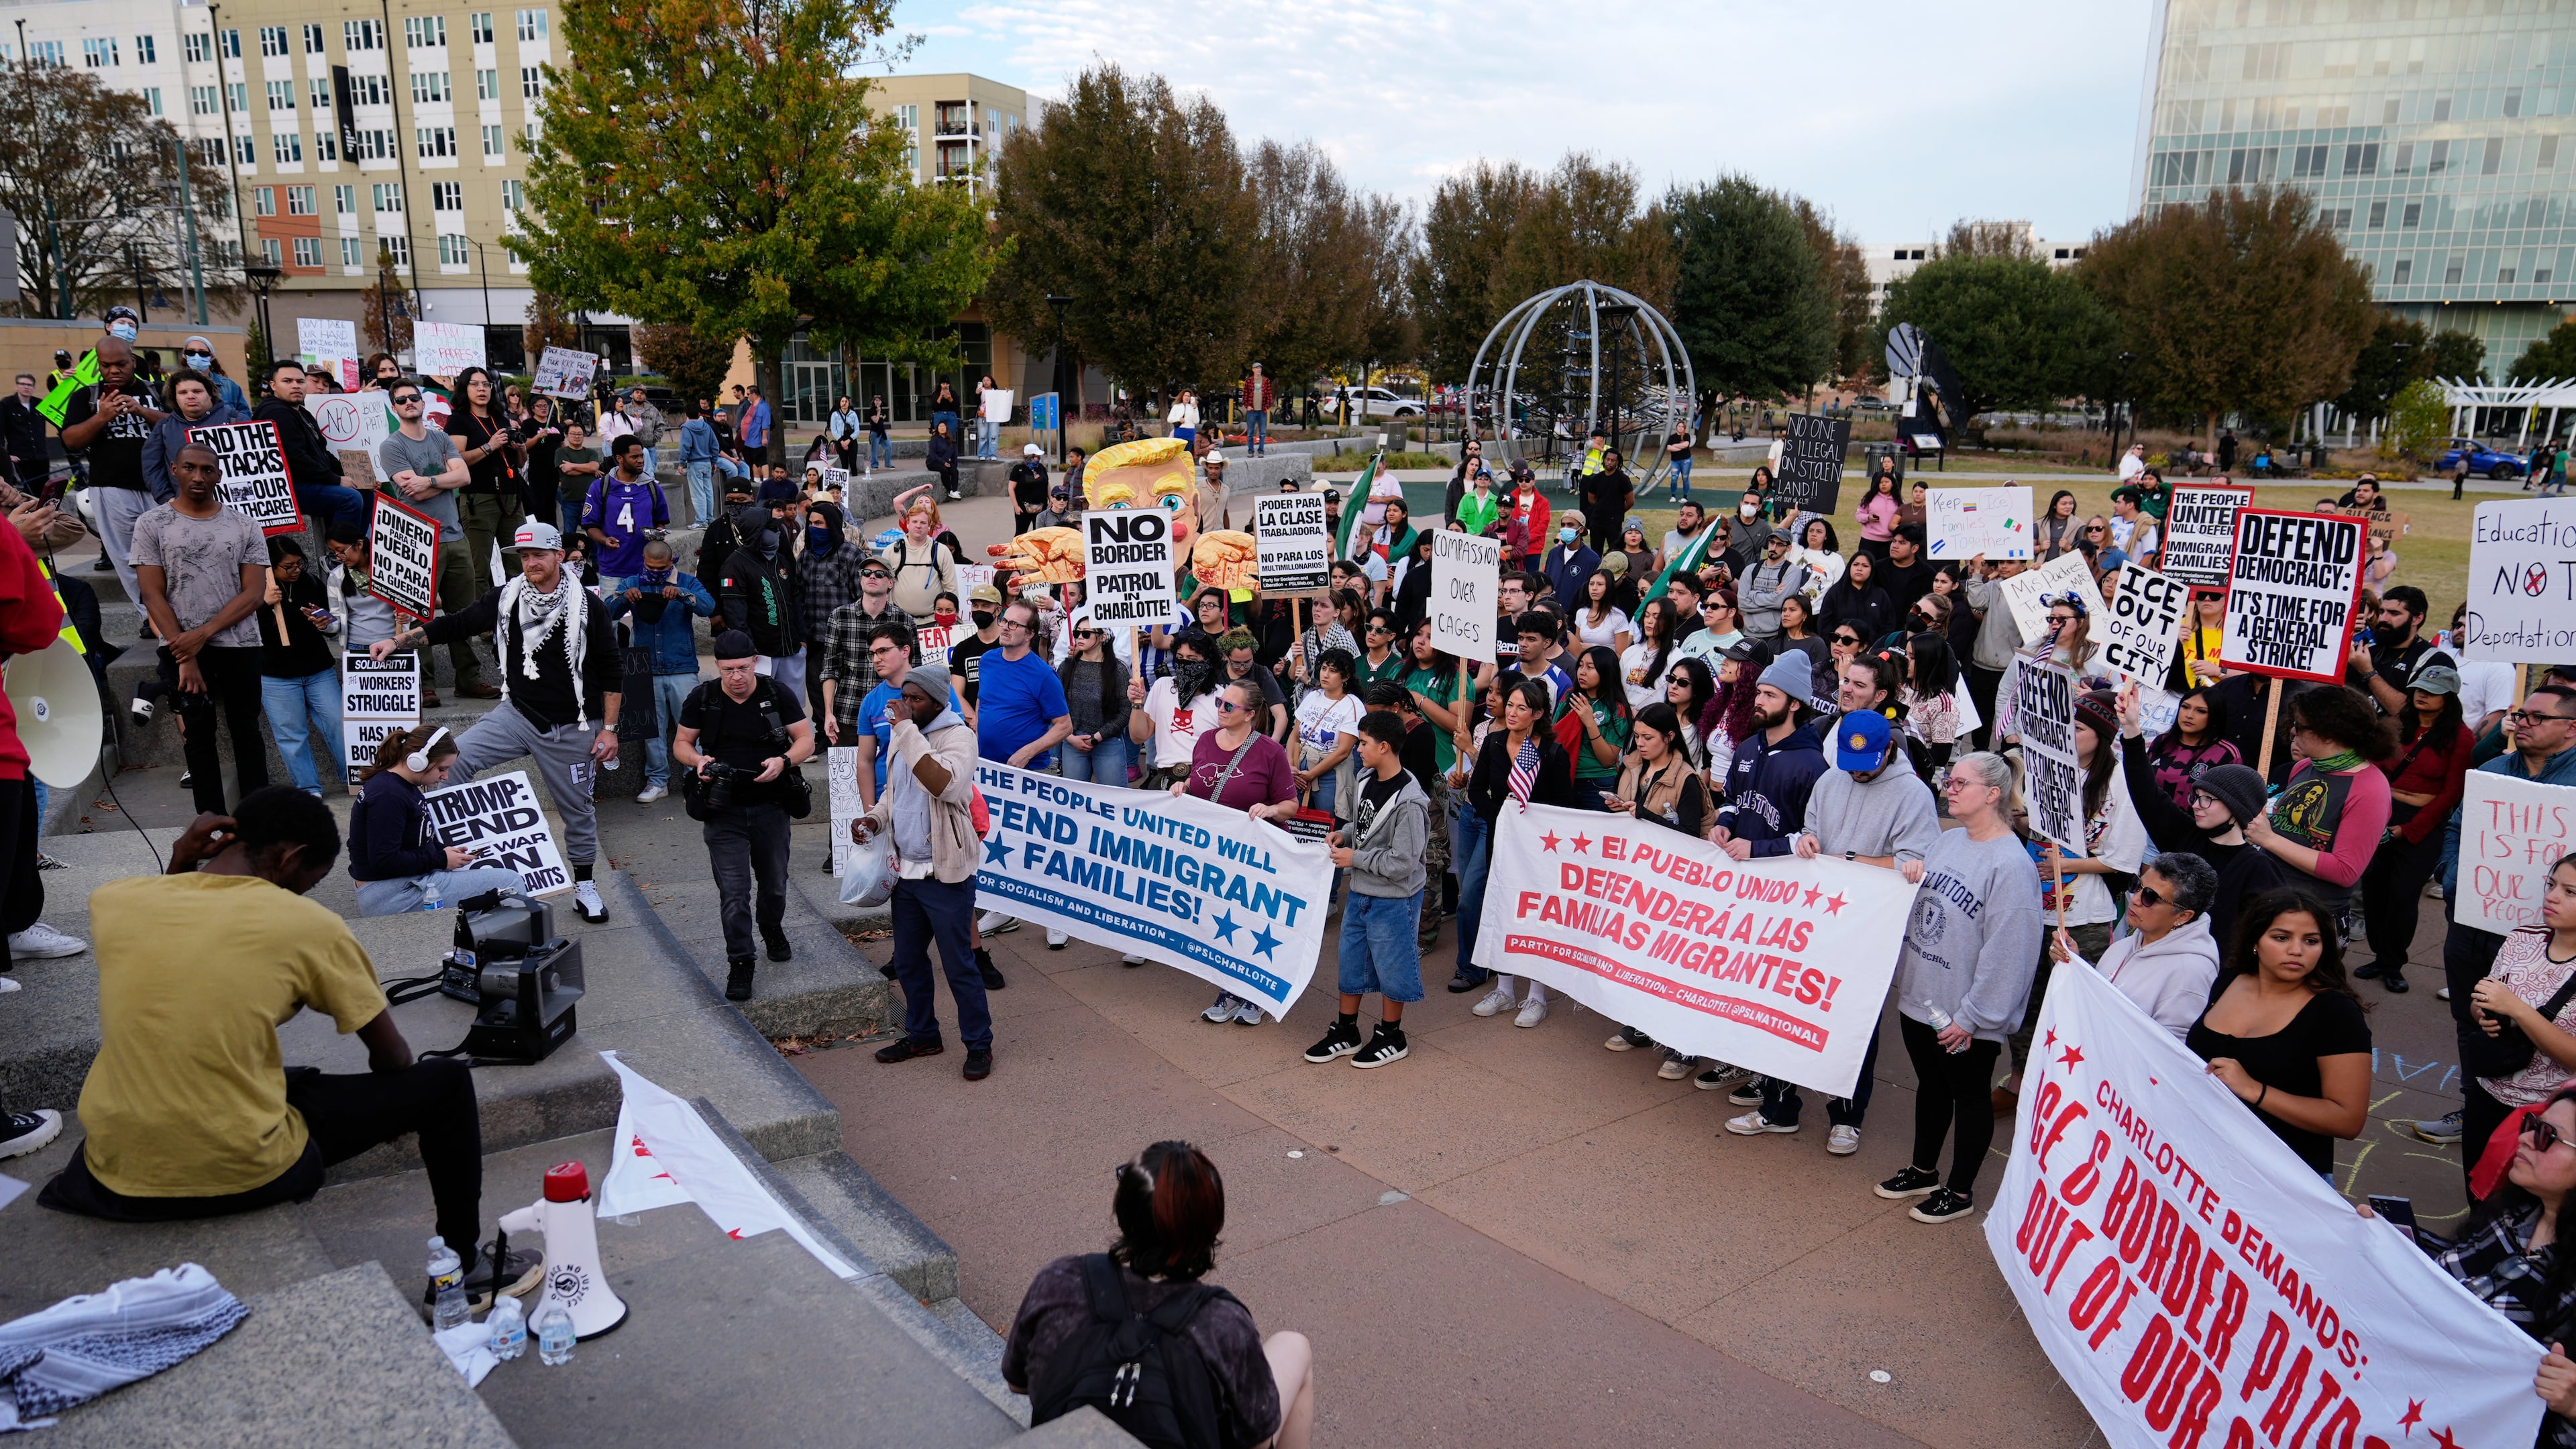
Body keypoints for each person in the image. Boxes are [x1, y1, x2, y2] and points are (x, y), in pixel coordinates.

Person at [38, 792, 543, 1313]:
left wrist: (181, 864)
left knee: (282, 1073)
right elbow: (391, 1058)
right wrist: (396, 1106)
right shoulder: (307, 926)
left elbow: (175, 927)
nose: (306, 895)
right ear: (289, 858)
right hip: (247, 1170)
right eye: (313, 882)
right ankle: (466, 1269)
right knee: (445, 1084)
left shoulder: (117, 901)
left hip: (112, 1172)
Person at [369, 521, 620, 923]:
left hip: (574, 724)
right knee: (452, 762)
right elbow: (456, 623)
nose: (531, 563)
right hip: (517, 713)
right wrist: (398, 641)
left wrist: (609, 728)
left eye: (539, 555)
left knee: (578, 810)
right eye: (524, 557)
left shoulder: (588, 605)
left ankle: (586, 885)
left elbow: (611, 667)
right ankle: (456, 857)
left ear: (559, 556)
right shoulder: (506, 597)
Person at [1004, 1142, 1313, 1448]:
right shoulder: (1224, 1324)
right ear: (1210, 1227)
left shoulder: (1059, 1281)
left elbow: (1017, 1383)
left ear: (1124, 1210)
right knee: (1295, 1345)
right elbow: (1257, 1442)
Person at [1731, 710, 1939, 1148]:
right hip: (1814, 919)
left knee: (1854, 1020)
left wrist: (1849, 861)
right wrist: (1807, 842)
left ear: (1889, 751)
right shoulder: (1831, 780)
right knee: (1785, 1009)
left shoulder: (1914, 795)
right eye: (1848, 761)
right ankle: (1777, 1107)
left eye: (1865, 763)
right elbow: (1811, 833)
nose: (1857, 771)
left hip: (1867, 929)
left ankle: (1847, 1118)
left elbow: (1913, 864)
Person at [1877, 752, 2045, 1224]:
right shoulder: (1948, 842)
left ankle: (1960, 1191)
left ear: (1992, 794)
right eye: (1949, 781)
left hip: (1965, 1015)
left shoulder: (2012, 865)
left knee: (1970, 1097)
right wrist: (1911, 870)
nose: (1949, 788)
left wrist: (1976, 1017)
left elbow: (2010, 952)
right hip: (1922, 997)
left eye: (1960, 783)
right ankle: (1923, 1169)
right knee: (1931, 1086)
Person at [851, 661, 992, 1078]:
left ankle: (979, 1044)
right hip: (906, 875)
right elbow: (894, 795)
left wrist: (907, 730)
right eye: (905, 698)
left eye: (917, 699)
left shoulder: (959, 736)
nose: (907, 705)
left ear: (937, 702)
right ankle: (923, 1035)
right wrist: (874, 819)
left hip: (945, 875)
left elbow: (944, 785)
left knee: (958, 964)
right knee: (909, 962)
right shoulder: (903, 735)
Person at [2190, 890, 2373, 1177]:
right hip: (2201, 1161)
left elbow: (2348, 1120)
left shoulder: (2335, 1013)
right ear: (2255, 942)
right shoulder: (2229, 980)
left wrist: (2255, 1091)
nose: (2296, 950)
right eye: (2281, 937)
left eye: (2311, 941)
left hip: (2281, 1181)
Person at [674, 634, 816, 1002]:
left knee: (775, 884)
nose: (736, 677)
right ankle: (741, 962)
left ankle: (771, 927)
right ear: (717, 667)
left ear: (755, 661)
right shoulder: (702, 698)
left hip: (771, 805)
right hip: (723, 809)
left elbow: (806, 739)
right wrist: (699, 761)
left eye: (742, 668)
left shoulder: (777, 692)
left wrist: (784, 760)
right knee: (734, 893)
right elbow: (682, 744)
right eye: (727, 670)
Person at [136, 441, 270, 814]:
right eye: (190, 468)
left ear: (218, 475)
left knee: (247, 733)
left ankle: (257, 821)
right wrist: (186, 654)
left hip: (240, 646)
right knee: (197, 738)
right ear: (175, 470)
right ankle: (211, 824)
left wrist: (204, 633)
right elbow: (152, 593)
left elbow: (255, 593)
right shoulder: (152, 524)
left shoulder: (244, 525)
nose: (198, 476)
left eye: (207, 470)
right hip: (181, 650)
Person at [1305, 713, 1431, 1069]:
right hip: (1361, 891)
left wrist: (1355, 857)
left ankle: (1392, 1034)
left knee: (1394, 967)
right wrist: (1344, 833)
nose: (1357, 750)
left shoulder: (1410, 802)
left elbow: (1403, 863)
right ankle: (1347, 1030)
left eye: (1362, 743)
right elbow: (1364, 825)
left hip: (1395, 900)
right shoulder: (1365, 778)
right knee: (1351, 962)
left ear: (1384, 746)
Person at [1176, 678, 1300, 1024]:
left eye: (1230, 706)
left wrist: (1271, 810)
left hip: (1256, 853)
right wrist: (1183, 786)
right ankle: (1229, 989)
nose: (1221, 710)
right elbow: (1200, 786)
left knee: (1252, 921)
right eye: (1220, 702)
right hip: (1215, 851)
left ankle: (1255, 993)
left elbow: (1290, 804)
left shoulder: (1269, 751)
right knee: (1220, 918)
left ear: (1250, 715)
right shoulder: (1204, 740)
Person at [2352, 667, 2474, 993]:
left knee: (2403, 895)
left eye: (2432, 691)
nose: (2422, 695)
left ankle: (2394, 963)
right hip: (2382, 809)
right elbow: (2372, 767)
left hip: (2424, 821)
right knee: (2374, 889)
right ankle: (2379, 956)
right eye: (2419, 688)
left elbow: (2451, 794)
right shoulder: (2395, 724)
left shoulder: (2461, 737)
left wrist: (2409, 830)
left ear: (2448, 698)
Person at [1462, 678, 1580, 1013]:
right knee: (1499, 909)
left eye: (1521, 708)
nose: (1512, 712)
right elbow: (1476, 790)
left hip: (1540, 848)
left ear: (1538, 714)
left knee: (1534, 916)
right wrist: (1500, 821)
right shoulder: (1494, 743)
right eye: (1510, 705)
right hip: (1501, 841)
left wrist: (1532, 829)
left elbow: (1563, 804)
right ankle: (1503, 990)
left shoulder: (1553, 752)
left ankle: (1537, 996)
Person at [377, 381, 492, 699]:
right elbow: (408, 490)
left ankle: (468, 680)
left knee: (464, 613)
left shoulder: (441, 437)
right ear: (395, 407)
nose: (409, 402)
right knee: (417, 615)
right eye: (402, 400)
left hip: (455, 536)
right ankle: (425, 685)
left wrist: (428, 480)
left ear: (423, 403)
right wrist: (445, 478)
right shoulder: (392, 446)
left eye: (414, 397)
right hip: (418, 539)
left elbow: (464, 477)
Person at [2242, 684, 2394, 919]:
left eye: (2300, 727)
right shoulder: (2304, 766)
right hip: (2268, 897)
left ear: (2328, 734)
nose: (2293, 731)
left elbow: (2345, 871)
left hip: (2313, 915)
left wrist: (2270, 839)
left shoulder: (2371, 789)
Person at [348, 724, 529, 915]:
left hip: (398, 884)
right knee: (510, 882)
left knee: (491, 892)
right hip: (390, 893)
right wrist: (442, 859)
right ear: (417, 761)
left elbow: (409, 843)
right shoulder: (388, 796)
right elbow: (384, 860)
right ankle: (520, 942)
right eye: (442, 768)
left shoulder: (399, 785)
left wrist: (443, 851)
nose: (446, 776)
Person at [2053, 853, 2223, 1040]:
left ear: (2183, 916)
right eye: (2137, 886)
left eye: (2150, 897)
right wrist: (2076, 964)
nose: (2135, 899)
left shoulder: (2191, 971)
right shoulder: (2126, 945)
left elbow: (2172, 1050)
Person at [605, 539, 717, 806]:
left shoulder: (687, 581)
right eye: (650, 566)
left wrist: (681, 594)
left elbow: (708, 607)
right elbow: (607, 611)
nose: (655, 572)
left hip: (682, 665)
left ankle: (697, 778)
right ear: (643, 561)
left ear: (671, 562)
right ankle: (657, 781)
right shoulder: (632, 582)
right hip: (644, 667)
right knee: (650, 730)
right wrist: (623, 598)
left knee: (690, 727)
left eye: (661, 567)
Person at [58, 335, 168, 609]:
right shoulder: (86, 397)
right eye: (106, 366)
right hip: (112, 489)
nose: (113, 371)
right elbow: (70, 440)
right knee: (128, 558)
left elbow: (182, 426)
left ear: (132, 361)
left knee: (169, 553)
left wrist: (143, 411)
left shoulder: (160, 391)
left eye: (120, 364)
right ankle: (150, 616)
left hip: (161, 487)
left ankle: (176, 608)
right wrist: (101, 417)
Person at [254, 538, 345, 798]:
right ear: (270, 568)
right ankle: (308, 788)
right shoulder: (255, 589)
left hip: (317, 669)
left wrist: (325, 622)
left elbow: (331, 623)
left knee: (338, 721)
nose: (296, 570)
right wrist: (262, 603)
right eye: (288, 566)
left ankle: (352, 775)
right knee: (291, 735)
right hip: (277, 676)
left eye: (299, 563)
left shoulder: (311, 582)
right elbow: (244, 629)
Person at [1715, 652, 1827, 859]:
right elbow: (1731, 799)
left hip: (1780, 881)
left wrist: (1756, 850)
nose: (1759, 701)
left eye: (1770, 695)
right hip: (1735, 870)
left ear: (1794, 704)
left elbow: (1813, 837)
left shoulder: (1813, 766)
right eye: (1759, 692)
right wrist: (1724, 823)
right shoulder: (1747, 748)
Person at [251, 360, 370, 539]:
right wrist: (336, 480)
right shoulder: (275, 412)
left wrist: (360, 477)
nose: (295, 386)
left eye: (300, 381)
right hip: (289, 488)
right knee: (350, 499)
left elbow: (322, 453)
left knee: (366, 493)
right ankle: (338, 554)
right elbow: (296, 459)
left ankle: (356, 552)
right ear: (273, 385)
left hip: (310, 481)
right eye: (287, 381)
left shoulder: (302, 412)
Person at [716, 502, 806, 699]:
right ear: (756, 532)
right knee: (763, 708)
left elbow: (795, 600)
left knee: (793, 707)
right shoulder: (735, 564)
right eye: (772, 529)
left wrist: (802, 639)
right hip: (761, 656)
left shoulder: (781, 560)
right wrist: (750, 652)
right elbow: (735, 615)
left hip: (791, 650)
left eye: (778, 529)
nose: (777, 533)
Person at [142, 367, 248, 509]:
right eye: (183, 392)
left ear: (210, 394)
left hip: (234, 509)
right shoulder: (164, 427)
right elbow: (152, 466)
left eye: (197, 391)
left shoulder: (235, 420)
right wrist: (167, 498)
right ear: (175, 398)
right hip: (185, 511)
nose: (190, 396)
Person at [581, 436, 670, 596]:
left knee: (646, 619)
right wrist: (604, 540)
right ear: (619, 459)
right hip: (612, 569)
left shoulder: (652, 487)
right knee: (610, 619)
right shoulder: (601, 486)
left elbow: (660, 522)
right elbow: (590, 526)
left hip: (647, 569)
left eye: (642, 456)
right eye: (634, 457)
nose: (640, 460)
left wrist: (658, 533)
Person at [1058, 617, 1132, 788]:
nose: (1080, 638)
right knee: (1073, 800)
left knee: (1115, 801)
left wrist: (1098, 738)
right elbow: (1055, 706)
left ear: (1103, 637)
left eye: (1086, 633)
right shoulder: (1066, 666)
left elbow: (1125, 711)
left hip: (1108, 742)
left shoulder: (1118, 669)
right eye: (1077, 633)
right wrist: (1069, 737)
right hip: (1072, 742)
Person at [1562, 645, 1632, 806]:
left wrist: (1589, 722)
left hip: (1598, 782)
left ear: (1606, 671)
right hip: (1565, 777)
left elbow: (1608, 759)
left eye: (1590, 667)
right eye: (1580, 665)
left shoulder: (1618, 707)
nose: (1582, 672)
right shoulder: (1570, 696)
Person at [1738, 531, 1808, 649]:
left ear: (1789, 548)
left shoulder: (1792, 571)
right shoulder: (1751, 569)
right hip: (1748, 634)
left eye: (1780, 545)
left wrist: (1753, 594)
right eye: (1772, 543)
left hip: (1775, 636)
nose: (1774, 548)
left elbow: (1780, 603)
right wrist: (1773, 596)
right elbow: (1742, 603)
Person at [1817, 547, 1898, 646]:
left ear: (1872, 570)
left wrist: (1875, 648)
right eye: (1856, 565)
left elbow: (1888, 625)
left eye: (1865, 566)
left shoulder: (1880, 595)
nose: (1859, 569)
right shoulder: (1836, 592)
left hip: (1871, 653)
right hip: (1839, 649)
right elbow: (1824, 624)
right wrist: (1834, 645)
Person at [0, 373, 48, 494]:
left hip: (41, 457)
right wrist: (6, 456)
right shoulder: (6, 404)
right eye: (23, 384)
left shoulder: (40, 404)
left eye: (30, 385)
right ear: (17, 386)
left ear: (34, 388)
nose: (26, 387)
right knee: (26, 494)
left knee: (43, 492)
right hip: (20, 458)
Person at [677, 403, 720, 525]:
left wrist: (681, 463)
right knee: (708, 492)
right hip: (707, 463)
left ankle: (701, 521)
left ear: (686, 415)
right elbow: (715, 445)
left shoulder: (687, 428)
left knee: (698, 494)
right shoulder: (707, 427)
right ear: (699, 414)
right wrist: (714, 461)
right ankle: (710, 518)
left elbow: (685, 447)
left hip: (695, 463)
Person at [1789, 517, 1845, 601]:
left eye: (1819, 532)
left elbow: (1840, 588)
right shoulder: (1795, 549)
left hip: (1819, 611)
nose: (1814, 534)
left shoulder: (1836, 559)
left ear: (1826, 536)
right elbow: (1773, 538)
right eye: (1811, 531)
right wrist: (1791, 516)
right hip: (1792, 607)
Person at [1853, 468, 1900, 563]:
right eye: (1881, 482)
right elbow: (1858, 515)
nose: (1883, 484)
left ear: (1893, 484)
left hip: (1889, 541)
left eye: (1886, 482)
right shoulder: (1869, 497)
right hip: (1869, 540)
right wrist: (1868, 517)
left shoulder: (1899, 501)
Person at [2035, 490, 2082, 561]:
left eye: (2071, 504)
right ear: (2054, 505)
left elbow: (2084, 553)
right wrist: (2041, 547)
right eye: (2064, 504)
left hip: (2068, 569)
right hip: (2043, 568)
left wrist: (2068, 547)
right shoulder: (2040, 524)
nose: (2068, 507)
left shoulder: (2079, 525)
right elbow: (2028, 550)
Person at [926, 418, 961, 502]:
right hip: (933, 462)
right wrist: (943, 462)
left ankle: (955, 491)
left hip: (945, 462)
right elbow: (932, 454)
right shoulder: (935, 439)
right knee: (944, 470)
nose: (942, 428)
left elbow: (954, 456)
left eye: (943, 426)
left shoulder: (951, 441)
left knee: (954, 471)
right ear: (937, 429)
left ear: (947, 428)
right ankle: (949, 490)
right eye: (940, 426)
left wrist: (953, 466)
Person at [738, 385, 771, 468]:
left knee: (760, 461)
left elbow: (765, 424)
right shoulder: (753, 405)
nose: (747, 396)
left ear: (754, 394)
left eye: (748, 394)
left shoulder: (763, 407)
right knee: (751, 458)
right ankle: (753, 476)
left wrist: (764, 438)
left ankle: (762, 478)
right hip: (748, 437)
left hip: (756, 438)